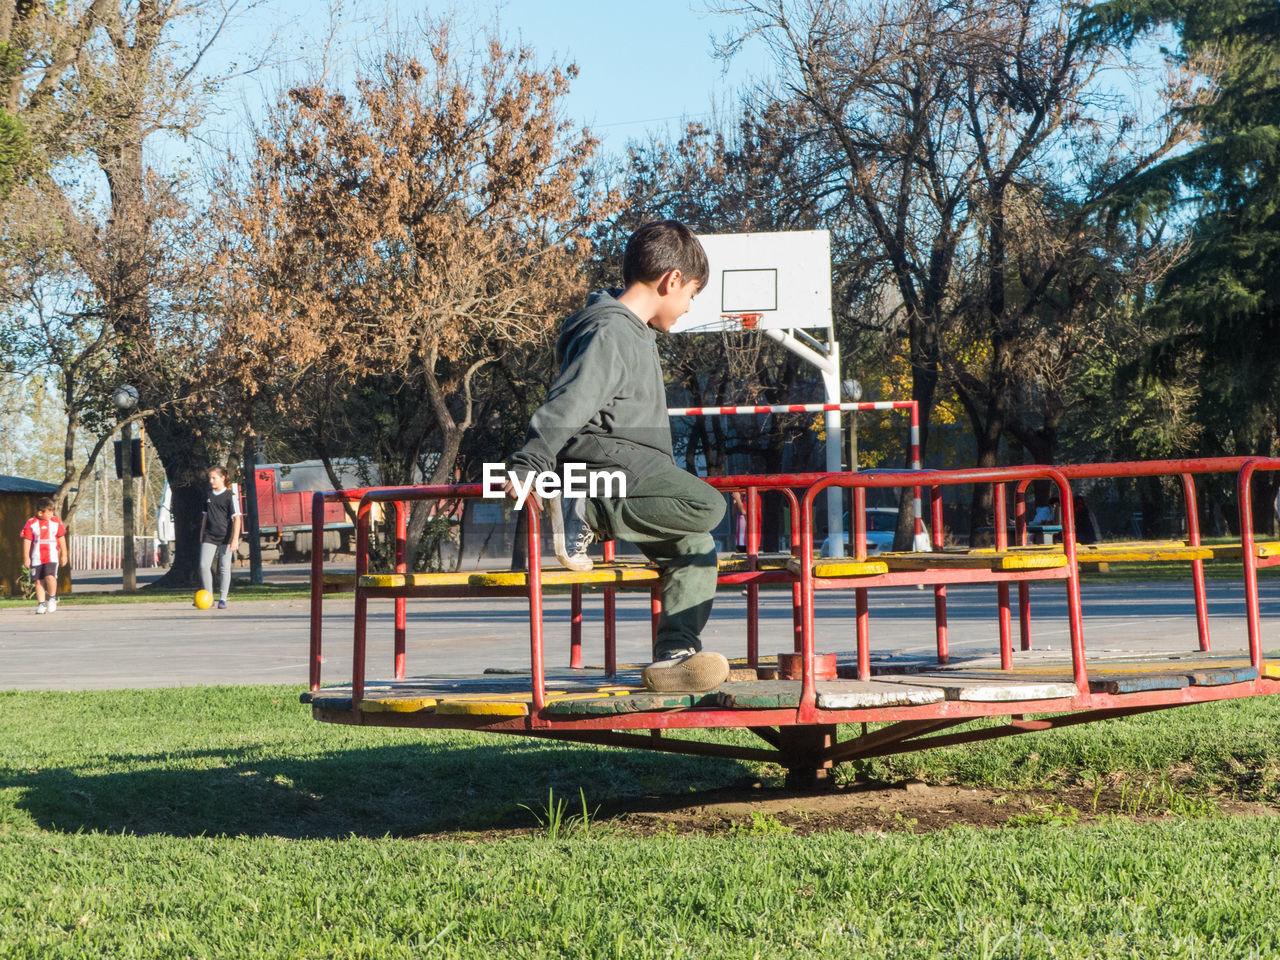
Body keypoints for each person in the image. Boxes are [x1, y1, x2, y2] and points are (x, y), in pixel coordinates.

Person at [504, 220, 728, 693]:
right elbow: (570, 400)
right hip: (606, 466)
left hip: (634, 468)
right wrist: (531, 461)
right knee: (709, 506)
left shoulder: (632, 332)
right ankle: (587, 507)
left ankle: (675, 656)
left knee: (696, 547)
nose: (688, 308)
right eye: (691, 295)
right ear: (671, 281)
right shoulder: (611, 332)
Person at [199, 465, 242, 609]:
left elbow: (237, 519)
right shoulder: (208, 495)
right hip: (209, 536)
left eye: (214, 478)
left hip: (226, 536)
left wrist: (235, 539)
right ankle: (209, 598)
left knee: (224, 568)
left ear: (222, 478)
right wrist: (202, 534)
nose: (211, 481)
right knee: (204, 565)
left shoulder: (230, 496)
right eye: (210, 478)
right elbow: (205, 517)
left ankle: (223, 598)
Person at [21, 496, 67, 614]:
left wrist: (64, 554)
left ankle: (52, 598)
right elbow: (27, 540)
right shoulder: (31, 523)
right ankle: (41, 604)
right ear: (40, 512)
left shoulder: (55, 521)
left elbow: (61, 537)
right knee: (39, 581)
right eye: (49, 512)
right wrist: (26, 557)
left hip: (52, 555)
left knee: (50, 577)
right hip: (36, 556)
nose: (51, 514)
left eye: (52, 511)